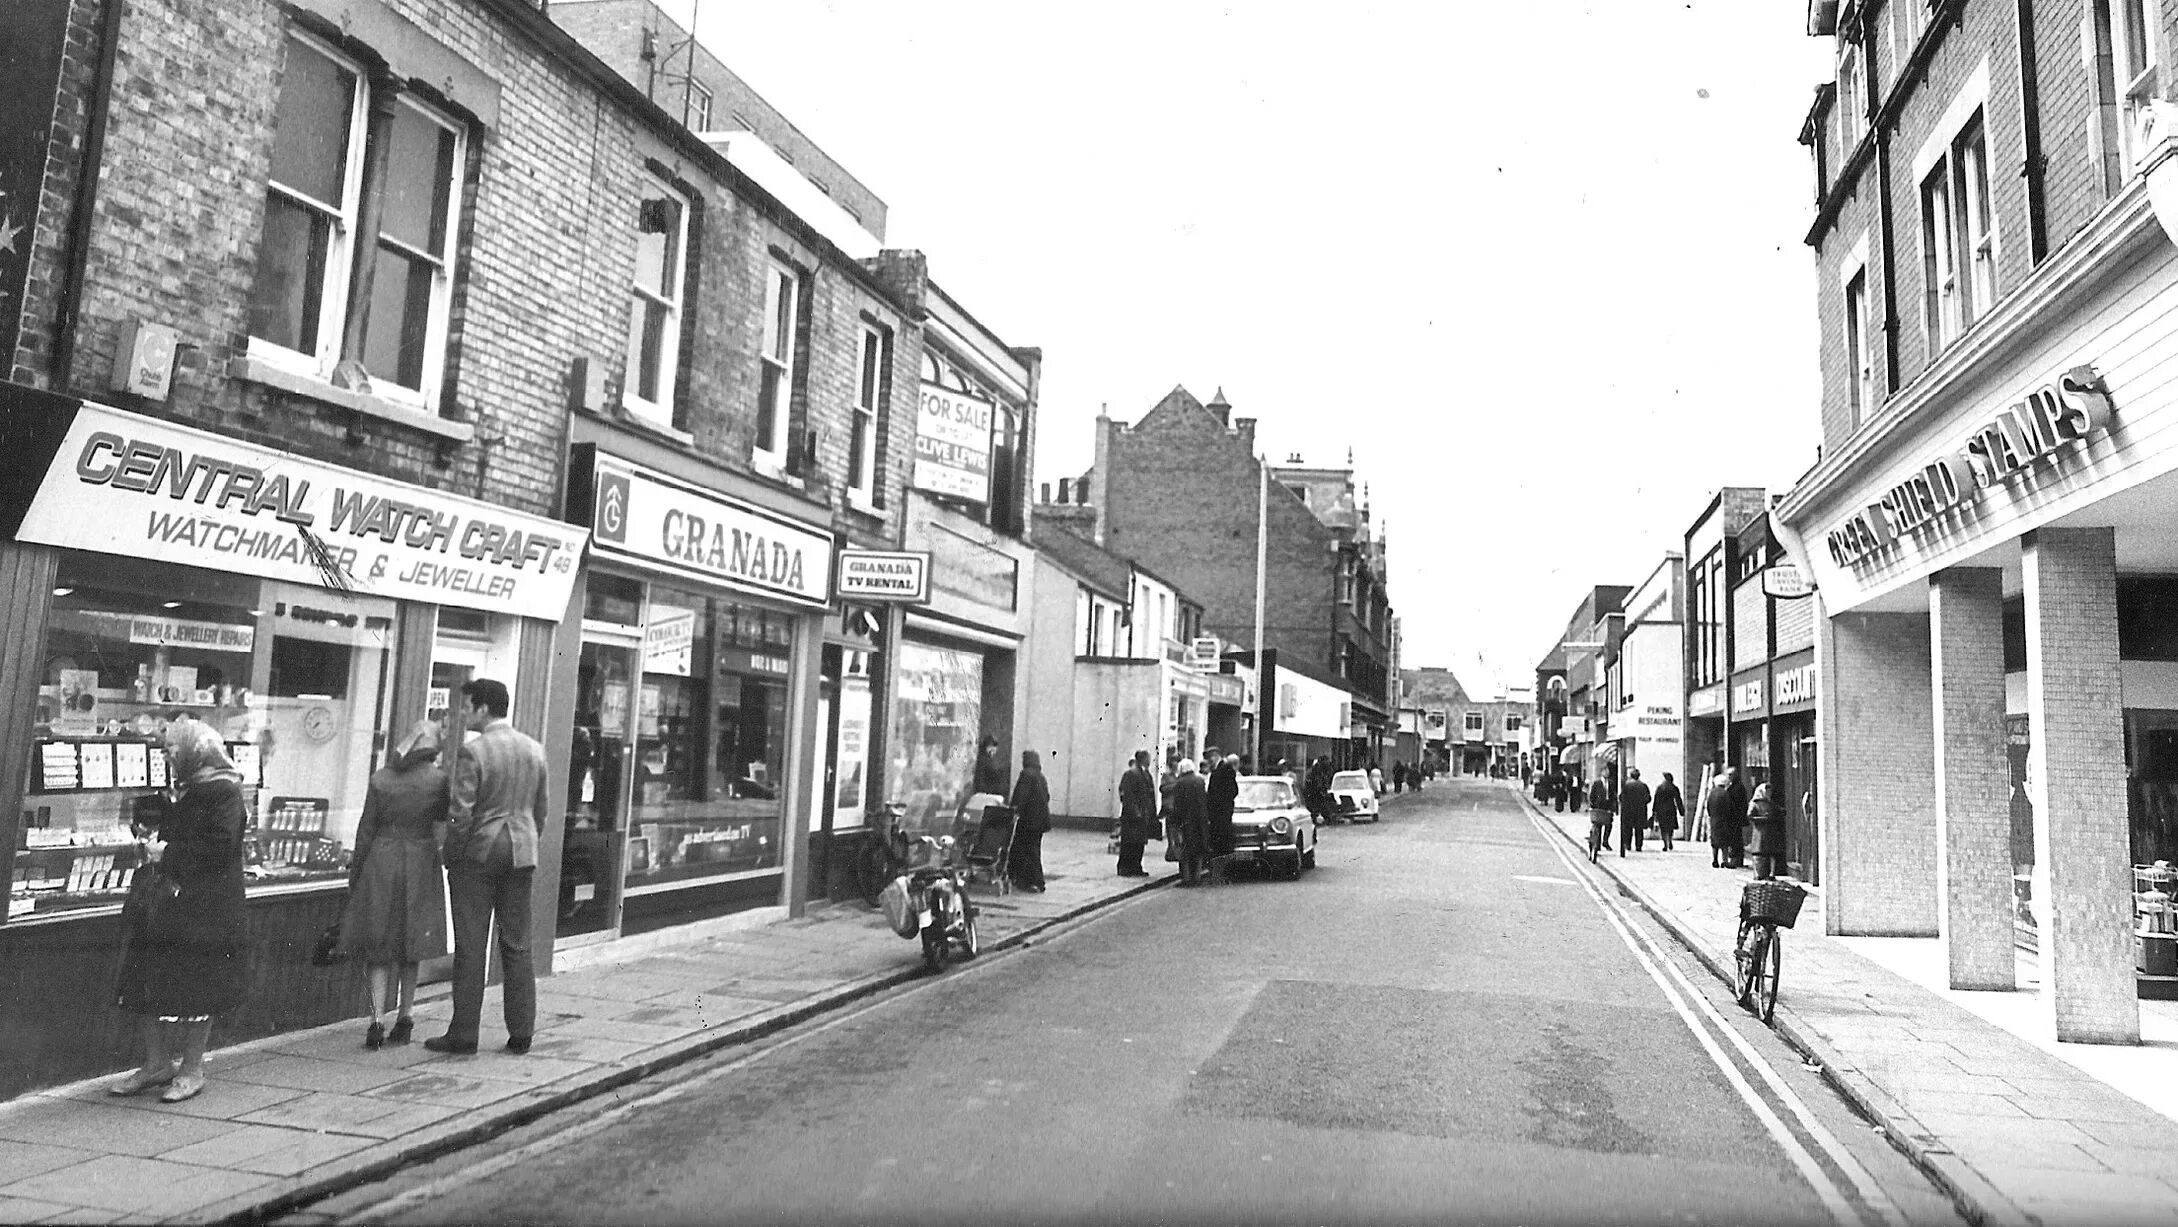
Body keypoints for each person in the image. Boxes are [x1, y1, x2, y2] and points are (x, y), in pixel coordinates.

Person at [110, 718, 248, 1103]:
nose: (168, 755)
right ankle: (156, 1064)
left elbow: (219, 848)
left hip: (207, 907)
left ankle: (191, 1069)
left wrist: (165, 852)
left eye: (173, 749)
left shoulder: (224, 791)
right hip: (171, 901)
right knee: (146, 980)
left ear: (196, 750)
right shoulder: (189, 788)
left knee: (198, 988)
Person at [428, 679, 549, 1056]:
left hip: (480, 853)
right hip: (522, 851)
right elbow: (540, 809)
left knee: (471, 945)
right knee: (517, 944)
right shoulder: (534, 749)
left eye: (467, 706)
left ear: (483, 709)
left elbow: (460, 812)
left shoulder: (473, 751)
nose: (464, 713)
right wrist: (528, 839)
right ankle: (522, 1032)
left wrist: (452, 855)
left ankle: (464, 1033)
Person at [342, 720, 451, 1049]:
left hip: (382, 858)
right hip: (420, 859)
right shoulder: (438, 781)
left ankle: (376, 1021)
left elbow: (365, 830)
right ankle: (405, 1017)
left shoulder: (381, 779)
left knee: (379, 945)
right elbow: (445, 824)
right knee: (411, 945)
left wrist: (356, 872)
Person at [1007, 750, 1051, 892]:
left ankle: (1029, 881)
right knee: (1034, 850)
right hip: (1041, 821)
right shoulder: (1041, 777)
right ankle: (1037, 881)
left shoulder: (1026, 775)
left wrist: (1014, 810)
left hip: (1028, 821)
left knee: (1025, 850)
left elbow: (1021, 797)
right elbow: (1047, 796)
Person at [1116, 750, 1157, 878]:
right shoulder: (1131, 774)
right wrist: (1135, 811)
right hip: (1133, 816)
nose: (1150, 761)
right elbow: (1126, 794)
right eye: (1148, 758)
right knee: (1129, 842)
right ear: (1142, 759)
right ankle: (1125, 868)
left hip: (1143, 814)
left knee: (1139, 843)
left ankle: (1136, 867)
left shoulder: (1146, 773)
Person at [1169, 758, 1210, 886]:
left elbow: (1178, 804)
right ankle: (1196, 876)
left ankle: (1186, 878)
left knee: (1184, 850)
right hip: (1200, 821)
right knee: (1198, 850)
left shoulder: (1180, 783)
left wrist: (1175, 821)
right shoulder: (1200, 781)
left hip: (1185, 821)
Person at [1708, 767, 1749, 870]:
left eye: (1731, 775)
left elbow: (1708, 807)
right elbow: (1730, 807)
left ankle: (1719, 860)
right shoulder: (1727, 792)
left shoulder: (1713, 793)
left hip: (1720, 820)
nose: (1729, 777)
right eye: (1728, 775)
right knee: (1725, 841)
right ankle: (1725, 860)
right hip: (1726, 820)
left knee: (1716, 841)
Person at [1746, 783, 1788, 880]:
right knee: (1758, 852)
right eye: (1767, 791)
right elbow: (1750, 816)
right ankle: (1757, 872)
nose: (1769, 793)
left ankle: (1771, 873)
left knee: (1771, 852)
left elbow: (1779, 811)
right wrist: (1762, 818)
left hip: (1770, 831)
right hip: (1759, 831)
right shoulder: (1755, 803)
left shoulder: (1770, 803)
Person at [1206, 753, 1240, 863]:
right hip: (1223, 811)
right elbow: (1233, 791)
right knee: (1223, 840)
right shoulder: (1225, 771)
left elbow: (1212, 793)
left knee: (1220, 840)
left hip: (1218, 812)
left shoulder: (1220, 771)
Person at [1618, 767, 1652, 856]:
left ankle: (1627, 845)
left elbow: (1621, 798)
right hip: (1640, 811)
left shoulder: (1627, 786)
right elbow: (1648, 798)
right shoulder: (1643, 786)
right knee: (1639, 829)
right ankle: (1638, 846)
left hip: (1628, 811)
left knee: (1628, 828)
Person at [1652, 771, 1685, 853]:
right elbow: (1678, 800)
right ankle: (1670, 840)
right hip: (1671, 809)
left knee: (1663, 828)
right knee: (1670, 827)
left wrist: (1654, 811)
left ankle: (1665, 843)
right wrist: (1681, 810)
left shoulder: (1660, 788)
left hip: (1661, 810)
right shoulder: (1674, 788)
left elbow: (1656, 800)